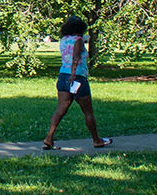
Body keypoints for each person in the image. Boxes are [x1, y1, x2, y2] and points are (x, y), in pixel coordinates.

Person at [42, 16, 111, 150]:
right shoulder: (78, 41)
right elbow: (76, 58)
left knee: (60, 110)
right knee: (88, 112)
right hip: (77, 78)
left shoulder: (63, 40)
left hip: (63, 77)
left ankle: (49, 137)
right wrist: (73, 74)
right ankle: (97, 140)